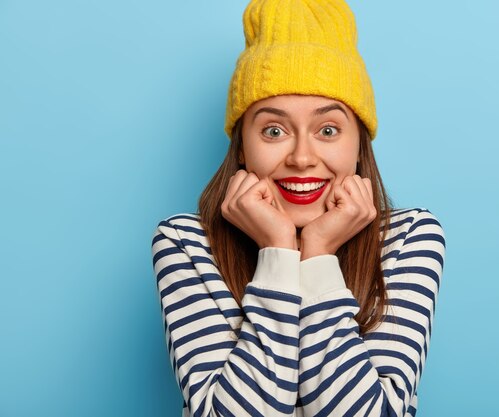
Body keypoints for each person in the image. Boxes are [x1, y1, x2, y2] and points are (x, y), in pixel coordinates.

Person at [151, 0, 446, 416]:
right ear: (242, 148)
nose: (302, 158)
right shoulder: (186, 244)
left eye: (328, 129)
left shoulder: (407, 239)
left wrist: (319, 253)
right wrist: (278, 250)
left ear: (359, 145)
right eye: (274, 130)